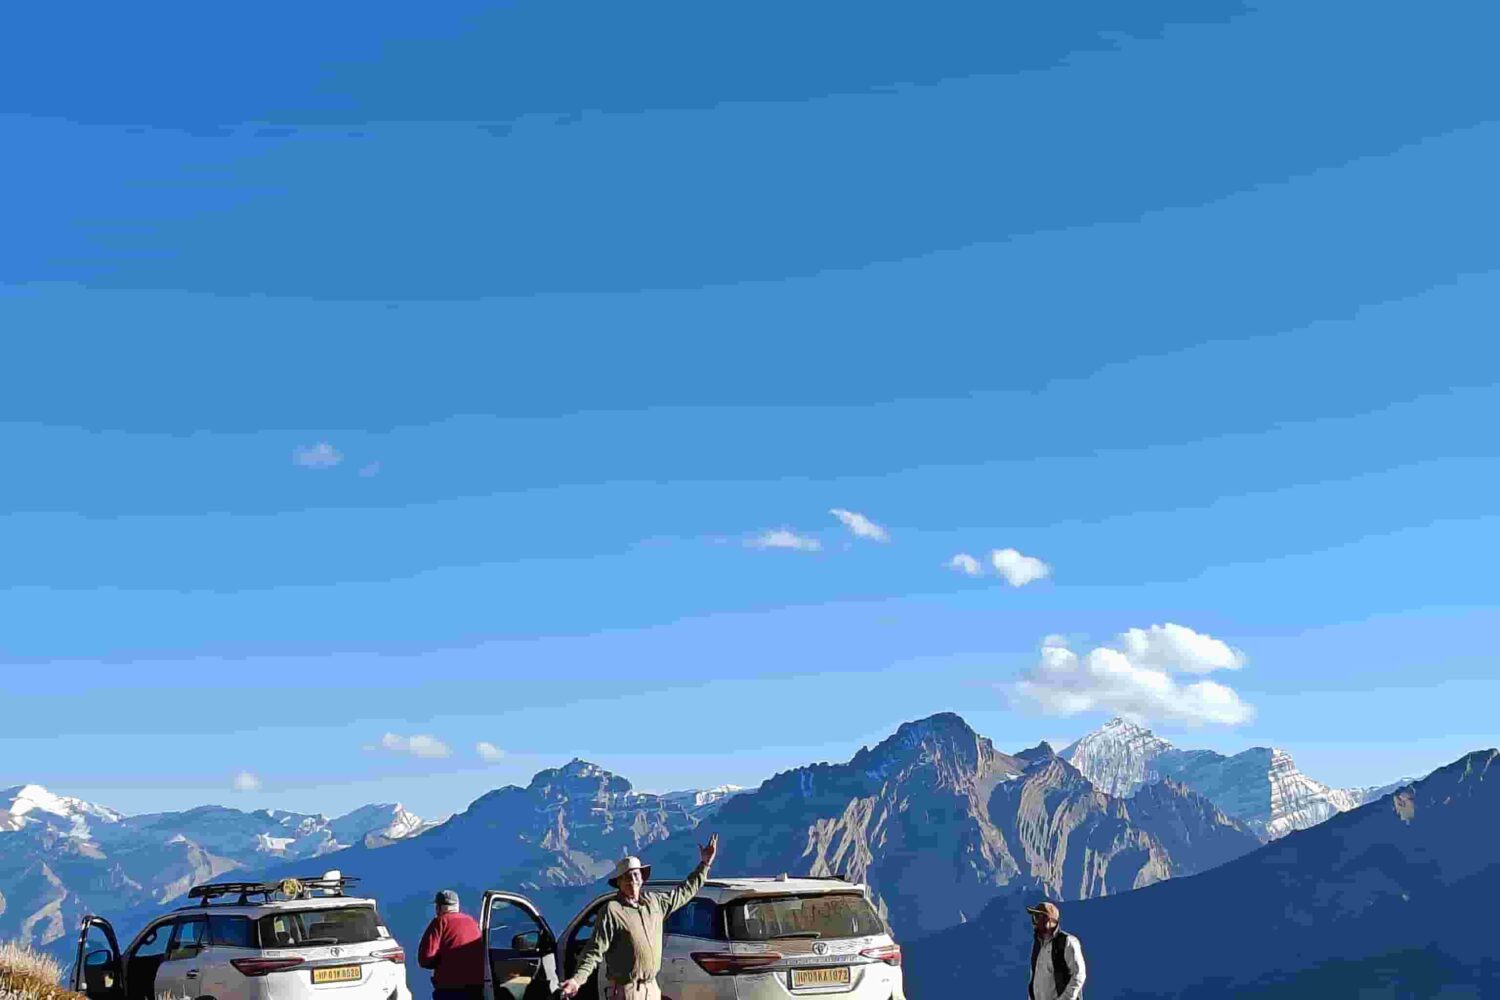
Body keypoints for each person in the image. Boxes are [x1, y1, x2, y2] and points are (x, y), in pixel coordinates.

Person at [558, 834, 719, 1000]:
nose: (632, 880)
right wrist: (577, 981)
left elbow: (684, 892)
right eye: (627, 877)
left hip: (652, 989)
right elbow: (593, 950)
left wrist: (705, 864)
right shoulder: (612, 911)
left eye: (636, 875)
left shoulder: (655, 903)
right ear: (619, 882)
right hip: (627, 992)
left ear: (642, 878)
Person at [418, 889, 485, 1000]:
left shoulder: (440, 922)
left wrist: (441, 960)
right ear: (457, 905)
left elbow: (425, 958)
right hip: (476, 988)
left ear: (439, 907)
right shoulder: (472, 922)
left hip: (450, 989)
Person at [1027, 901, 1085, 1000]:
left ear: (1048, 919)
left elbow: (1079, 975)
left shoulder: (1067, 942)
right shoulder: (1037, 944)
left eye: (1037, 917)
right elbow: (1035, 977)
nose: (1034, 922)